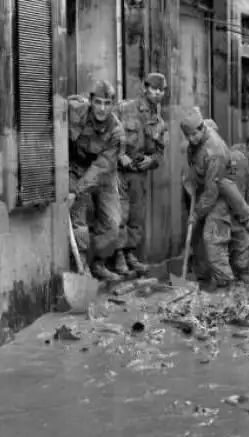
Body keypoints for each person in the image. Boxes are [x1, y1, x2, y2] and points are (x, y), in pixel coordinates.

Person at [181, 107, 249, 291]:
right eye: (188, 135)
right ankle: (203, 280)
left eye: (195, 134)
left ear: (202, 128)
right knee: (198, 237)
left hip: (221, 192)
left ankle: (227, 286)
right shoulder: (196, 142)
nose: (192, 139)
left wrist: (196, 213)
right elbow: (195, 165)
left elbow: (212, 191)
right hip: (206, 188)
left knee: (212, 238)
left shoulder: (215, 151)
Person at [67, 80, 125, 281]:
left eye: (107, 103)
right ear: (90, 101)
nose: (102, 108)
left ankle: (98, 262)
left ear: (113, 104)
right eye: (98, 102)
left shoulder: (117, 131)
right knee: (79, 224)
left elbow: (102, 167)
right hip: (74, 169)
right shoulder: (75, 110)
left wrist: (76, 190)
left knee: (112, 225)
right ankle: (82, 268)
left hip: (103, 174)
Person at [113, 72, 167, 276]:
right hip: (118, 173)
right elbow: (110, 134)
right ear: (145, 88)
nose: (157, 93)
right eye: (154, 89)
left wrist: (151, 161)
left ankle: (129, 255)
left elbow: (160, 153)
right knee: (120, 215)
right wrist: (120, 155)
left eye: (161, 90)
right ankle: (118, 256)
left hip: (139, 175)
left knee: (136, 216)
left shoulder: (159, 123)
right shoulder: (125, 109)